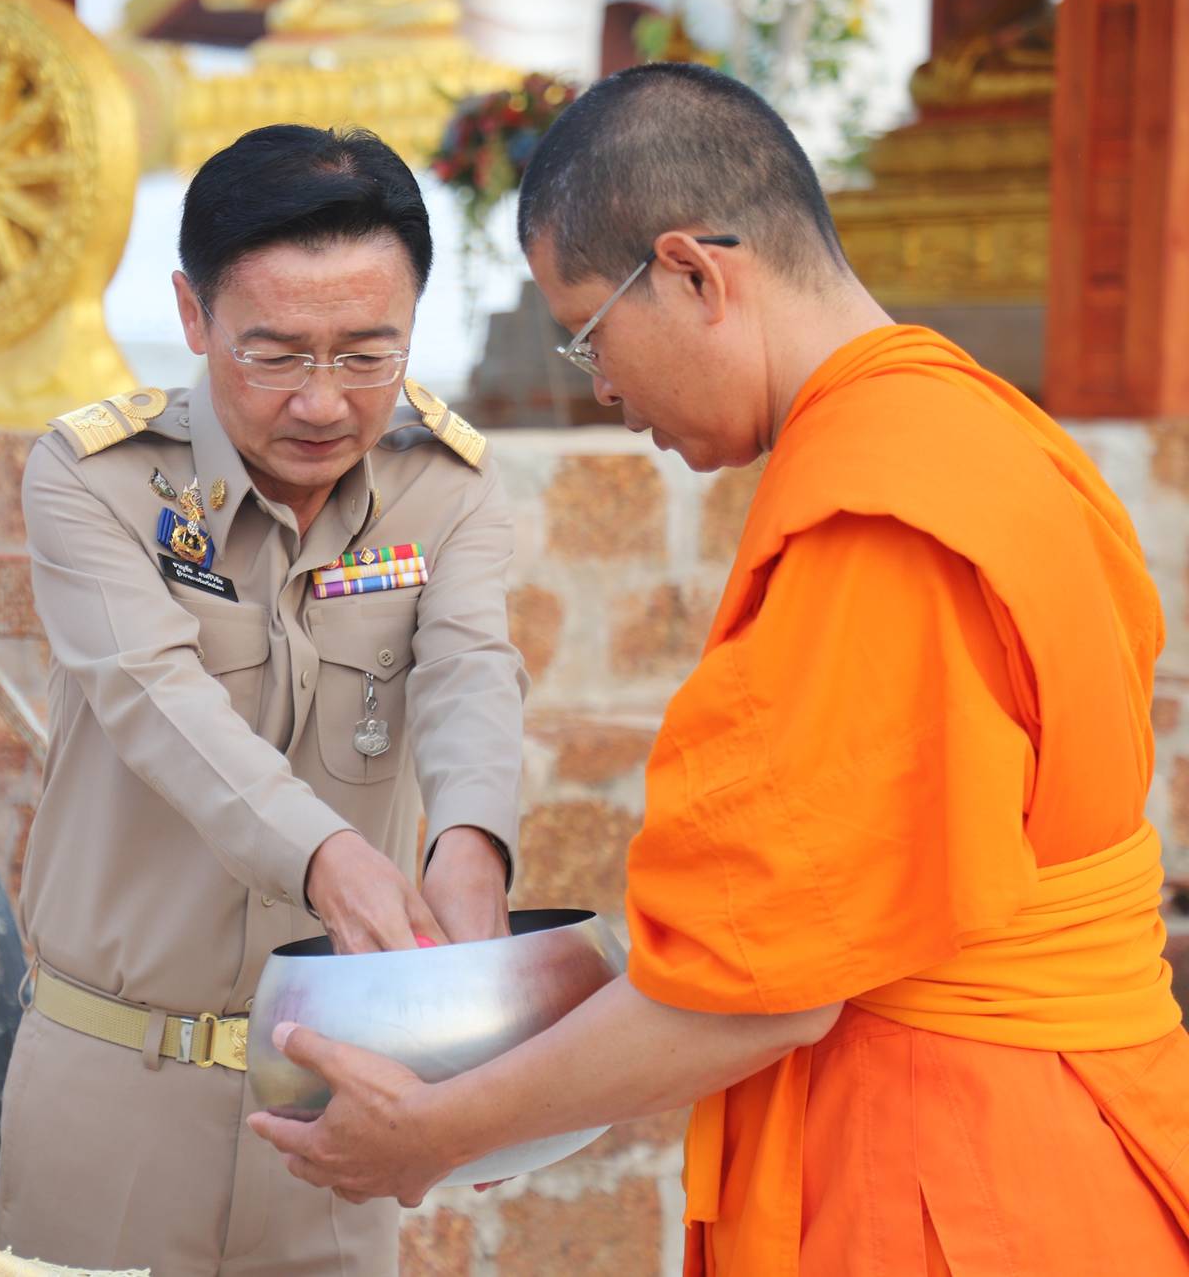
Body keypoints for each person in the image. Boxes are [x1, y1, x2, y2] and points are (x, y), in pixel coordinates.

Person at [250, 62, 1189, 1274]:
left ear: (692, 273)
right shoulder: (992, 434)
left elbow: (765, 987)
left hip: (950, 1183)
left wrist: (439, 1127)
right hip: (1068, 1134)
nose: (601, 388)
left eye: (588, 335)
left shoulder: (877, 515)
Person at [0, 124, 527, 1276]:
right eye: (275, 355)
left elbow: (470, 671)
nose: (323, 402)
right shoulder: (98, 479)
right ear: (192, 316)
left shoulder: (445, 490)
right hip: (112, 1093)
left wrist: (472, 846)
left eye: (367, 355)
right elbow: (155, 699)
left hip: (334, 1104)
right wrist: (330, 859)